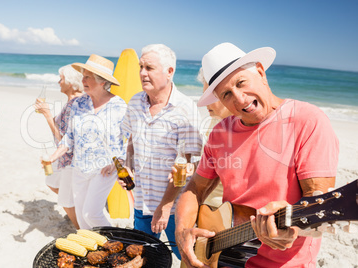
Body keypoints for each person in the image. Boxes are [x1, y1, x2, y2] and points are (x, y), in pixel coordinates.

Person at [175, 42, 339, 267]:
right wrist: (182, 231)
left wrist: (290, 225)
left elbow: (317, 199)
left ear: (261, 72)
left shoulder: (308, 121)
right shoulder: (220, 133)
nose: (240, 99)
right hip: (226, 257)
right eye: (226, 94)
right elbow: (195, 188)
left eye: (241, 83)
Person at [120, 44, 203, 260]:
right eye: (141, 67)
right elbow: (131, 140)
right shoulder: (135, 102)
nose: (142, 73)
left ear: (169, 71)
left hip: (175, 209)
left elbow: (187, 165)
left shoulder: (186, 108)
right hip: (141, 203)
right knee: (146, 257)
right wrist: (128, 165)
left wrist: (165, 207)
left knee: (186, 257)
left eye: (149, 68)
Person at [46, 54, 126, 229]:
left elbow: (130, 140)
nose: (83, 80)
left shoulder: (119, 106)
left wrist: (119, 163)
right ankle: (94, 252)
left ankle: (115, 244)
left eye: (88, 76)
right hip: (79, 168)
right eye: (83, 75)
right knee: (82, 217)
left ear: (102, 81)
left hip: (105, 168)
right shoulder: (79, 103)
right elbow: (70, 137)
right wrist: (53, 156)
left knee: (92, 214)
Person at [34, 64, 83, 229]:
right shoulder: (71, 101)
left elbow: (65, 140)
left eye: (61, 79)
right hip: (61, 155)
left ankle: (80, 229)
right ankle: (77, 211)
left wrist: (48, 115)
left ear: (70, 82)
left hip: (69, 158)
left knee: (66, 200)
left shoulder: (76, 104)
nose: (58, 82)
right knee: (52, 182)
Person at [196, 67, 231, 209]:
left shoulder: (245, 129)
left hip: (229, 213)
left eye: (210, 97)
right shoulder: (216, 120)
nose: (204, 103)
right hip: (206, 208)